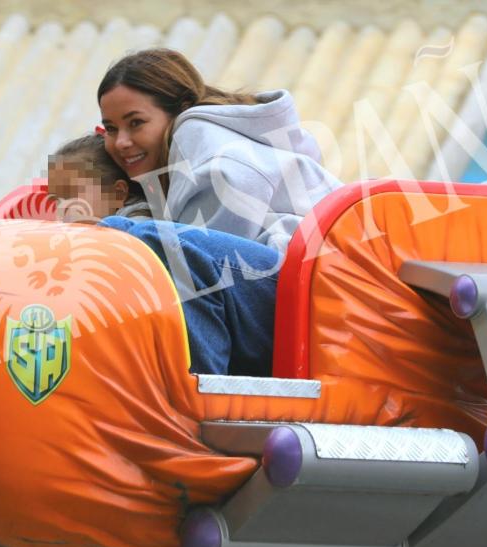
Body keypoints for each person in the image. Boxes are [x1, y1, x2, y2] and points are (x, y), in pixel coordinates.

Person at [47, 132, 280, 376]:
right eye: (55, 200)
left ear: (118, 193)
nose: (62, 209)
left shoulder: (137, 228)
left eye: (71, 195)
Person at [97, 48, 341, 252]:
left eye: (136, 123)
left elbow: (204, 267)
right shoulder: (180, 161)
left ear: (178, 111)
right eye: (111, 128)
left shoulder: (209, 151)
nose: (121, 142)